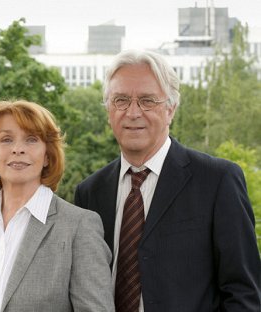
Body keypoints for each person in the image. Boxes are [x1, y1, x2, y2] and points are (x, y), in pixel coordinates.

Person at [75, 49, 261, 311]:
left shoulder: (218, 181)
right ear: (108, 111)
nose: (133, 112)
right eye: (121, 100)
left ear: (171, 109)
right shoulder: (90, 192)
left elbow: (244, 293)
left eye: (148, 101)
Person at [0, 100, 115, 312]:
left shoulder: (79, 226)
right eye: (6, 140)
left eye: (31, 140)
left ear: (47, 156)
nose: (18, 149)